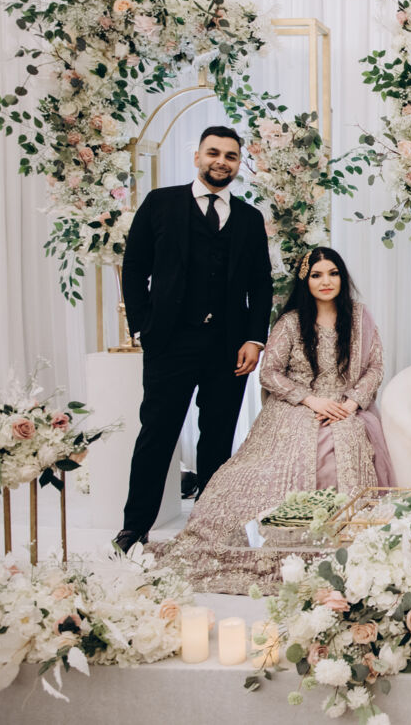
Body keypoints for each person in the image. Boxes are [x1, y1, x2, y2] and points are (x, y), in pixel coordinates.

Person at [151, 248, 391, 593]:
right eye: (317, 275)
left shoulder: (359, 318)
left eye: (333, 273)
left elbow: (375, 367)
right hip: (297, 405)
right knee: (253, 472)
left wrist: (352, 402)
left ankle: (341, 547)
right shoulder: (291, 322)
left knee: (342, 442)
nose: (326, 281)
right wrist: (310, 399)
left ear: (342, 277)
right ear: (305, 281)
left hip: (345, 406)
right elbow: (270, 373)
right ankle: (286, 543)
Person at [115, 126, 273, 553]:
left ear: (239, 165)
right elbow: (135, 267)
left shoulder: (249, 218)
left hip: (228, 346)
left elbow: (261, 284)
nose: (221, 161)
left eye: (230, 156)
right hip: (170, 341)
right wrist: (142, 327)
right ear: (197, 157)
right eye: (213, 153)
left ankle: (210, 527)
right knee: (157, 434)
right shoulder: (160, 203)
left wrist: (254, 339)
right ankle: (134, 527)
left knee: (218, 438)